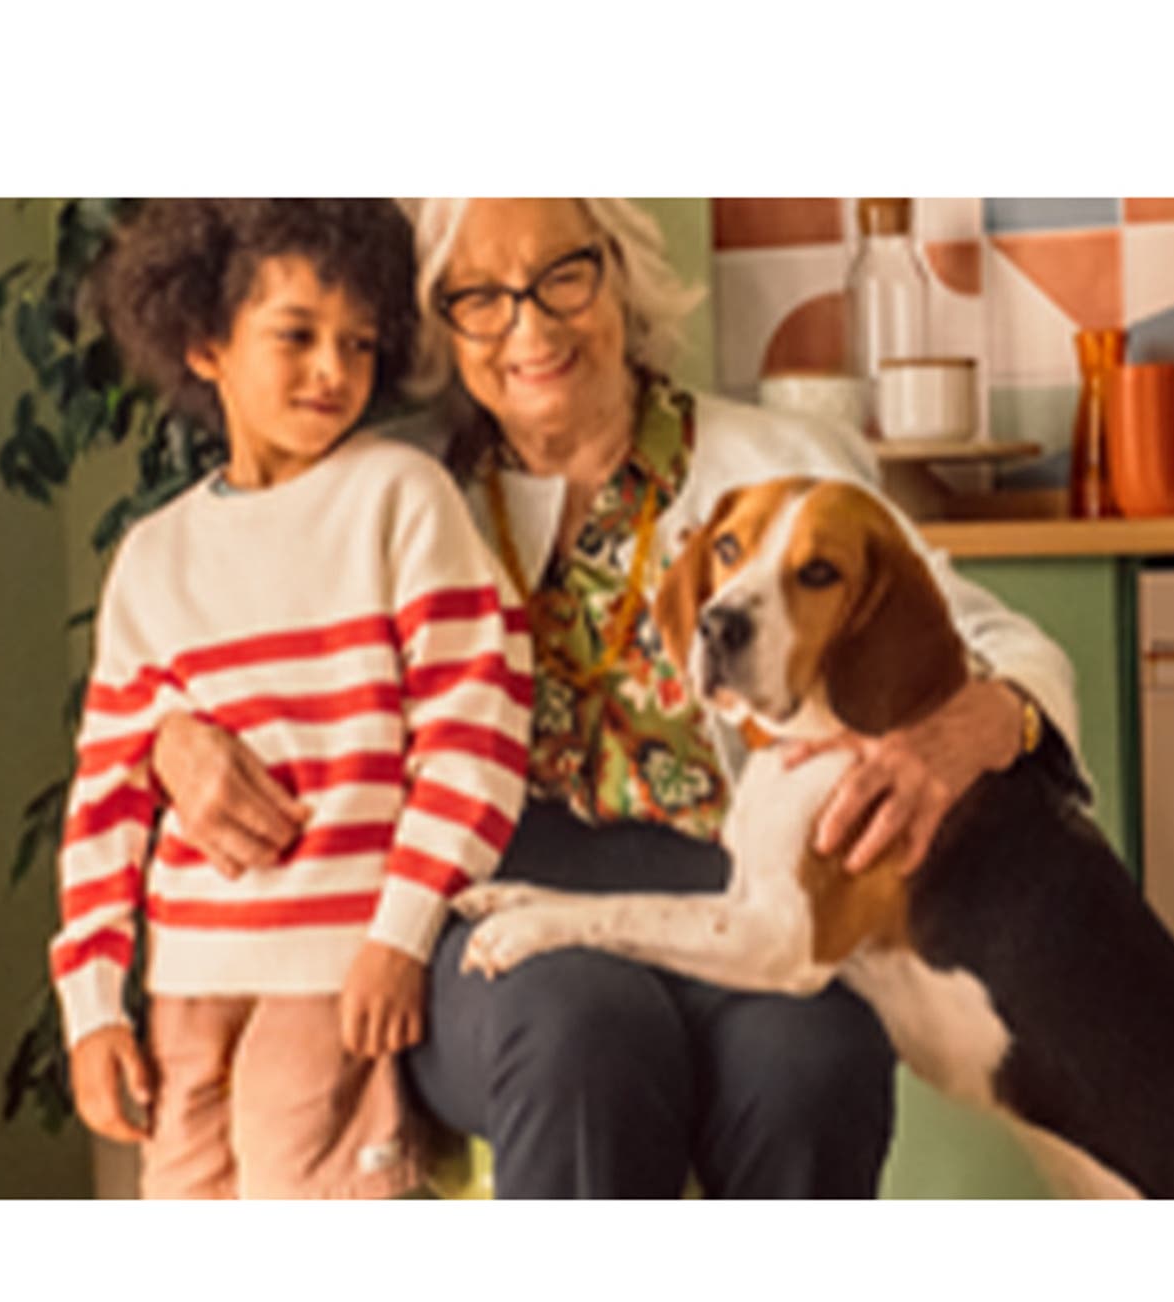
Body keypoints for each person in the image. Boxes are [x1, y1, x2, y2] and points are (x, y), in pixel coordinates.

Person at [145, 198, 1079, 1198]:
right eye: (481, 297)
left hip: (735, 897)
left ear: (621, 278)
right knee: (580, 1028)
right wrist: (172, 744)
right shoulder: (388, 484)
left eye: (563, 275)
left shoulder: (770, 467)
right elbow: (225, 642)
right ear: (440, 321)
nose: (531, 327)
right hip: (474, 898)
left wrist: (981, 721)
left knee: (812, 1057)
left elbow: (999, 645)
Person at [51, 199, 533, 1200]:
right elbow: (106, 797)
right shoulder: (151, 561)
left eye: (358, 343)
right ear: (203, 342)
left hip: (339, 978)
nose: (332, 371)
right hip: (187, 987)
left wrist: (400, 936)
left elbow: (475, 739)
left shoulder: (400, 501)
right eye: (297, 335)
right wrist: (93, 1005)